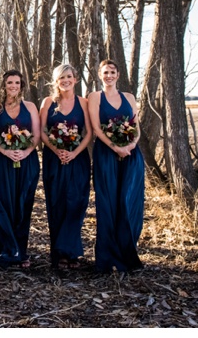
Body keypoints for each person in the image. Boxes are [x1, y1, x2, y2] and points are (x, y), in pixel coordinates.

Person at [87, 59, 145, 273]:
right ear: (99, 75)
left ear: (118, 74)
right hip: (106, 155)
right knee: (108, 204)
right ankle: (107, 258)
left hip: (131, 155)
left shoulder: (129, 97)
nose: (109, 75)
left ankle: (128, 254)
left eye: (112, 71)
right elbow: (96, 128)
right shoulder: (95, 97)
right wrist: (115, 147)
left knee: (128, 203)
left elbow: (136, 128)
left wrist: (130, 146)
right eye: (105, 72)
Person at [39, 64, 92, 269]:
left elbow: (88, 132)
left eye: (69, 76)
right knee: (57, 202)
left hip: (78, 159)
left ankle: (72, 250)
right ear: (56, 81)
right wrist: (56, 149)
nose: (66, 80)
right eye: (61, 77)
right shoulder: (48, 102)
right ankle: (60, 253)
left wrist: (74, 153)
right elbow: (43, 131)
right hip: (54, 159)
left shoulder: (84, 103)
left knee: (76, 202)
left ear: (76, 79)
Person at [0, 69, 40, 269]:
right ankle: (6, 251)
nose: (13, 86)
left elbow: (36, 135)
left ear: (22, 85)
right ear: (4, 85)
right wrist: (6, 152)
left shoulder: (31, 107)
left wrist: (25, 152)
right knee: (2, 204)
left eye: (17, 83)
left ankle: (21, 251)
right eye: (10, 83)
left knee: (22, 205)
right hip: (2, 162)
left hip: (27, 162)